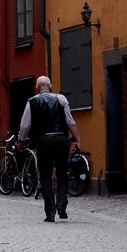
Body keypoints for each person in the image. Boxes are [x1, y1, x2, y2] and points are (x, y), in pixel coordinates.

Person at [18, 75, 80, 222]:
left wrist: (21, 140)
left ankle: (50, 212)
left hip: (43, 141)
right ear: (50, 86)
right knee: (62, 173)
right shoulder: (61, 99)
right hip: (60, 140)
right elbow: (70, 121)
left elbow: (25, 125)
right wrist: (77, 139)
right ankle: (61, 205)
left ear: (37, 88)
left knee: (45, 176)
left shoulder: (31, 102)